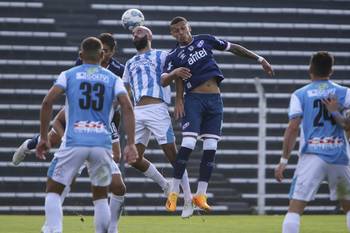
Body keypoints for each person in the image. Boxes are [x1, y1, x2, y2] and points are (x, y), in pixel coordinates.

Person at [12, 33, 126, 233]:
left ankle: (53, 229)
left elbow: (47, 102)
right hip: (101, 142)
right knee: (100, 196)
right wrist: (131, 143)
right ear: (101, 55)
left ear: (81, 54)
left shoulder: (69, 74)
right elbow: (128, 108)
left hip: (74, 140)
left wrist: (44, 137)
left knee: (53, 190)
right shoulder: (114, 78)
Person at [161, 16, 274, 212]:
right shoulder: (173, 55)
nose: (180, 33)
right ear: (172, 34)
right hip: (193, 100)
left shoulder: (205, 40)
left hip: (215, 100)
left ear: (189, 27)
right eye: (176, 31)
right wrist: (175, 77)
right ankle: (173, 193)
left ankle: (201, 195)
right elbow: (164, 79)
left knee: (211, 147)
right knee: (188, 143)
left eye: (182, 28)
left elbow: (233, 47)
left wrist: (259, 58)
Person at [274, 51, 350, 233]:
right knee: (348, 207)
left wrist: (283, 161)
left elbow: (293, 128)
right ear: (331, 70)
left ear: (310, 69)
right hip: (339, 157)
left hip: (312, 158)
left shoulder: (300, 94)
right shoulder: (345, 93)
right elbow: (348, 125)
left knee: (296, 208)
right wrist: (335, 112)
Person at [122, 25, 193, 218]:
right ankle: (165, 185)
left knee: (172, 155)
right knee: (133, 158)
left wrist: (179, 99)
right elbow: (125, 91)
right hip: (137, 111)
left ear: (149, 35)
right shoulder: (130, 62)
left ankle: (188, 199)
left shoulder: (163, 55)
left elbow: (177, 75)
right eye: (133, 33)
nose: (135, 35)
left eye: (139, 32)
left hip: (157, 108)